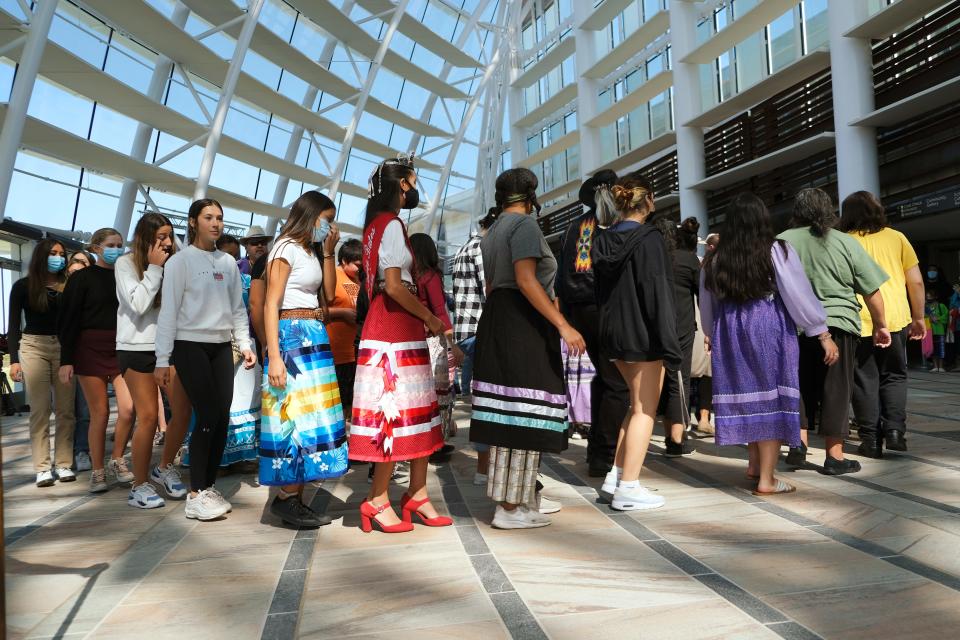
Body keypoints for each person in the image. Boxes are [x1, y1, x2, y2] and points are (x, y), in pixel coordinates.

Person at [470, 167, 585, 529]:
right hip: (523, 323)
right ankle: (510, 506)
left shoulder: (490, 232)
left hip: (499, 320)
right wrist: (563, 324)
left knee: (509, 411)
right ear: (531, 194)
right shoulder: (524, 227)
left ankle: (517, 501)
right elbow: (525, 279)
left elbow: (492, 287)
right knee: (526, 409)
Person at [701, 193, 835, 495]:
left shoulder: (715, 258)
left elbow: (706, 303)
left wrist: (712, 332)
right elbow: (797, 294)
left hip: (728, 330)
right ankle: (767, 479)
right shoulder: (776, 250)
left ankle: (753, 464)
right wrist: (821, 333)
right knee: (770, 399)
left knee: (747, 396)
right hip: (768, 327)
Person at [350, 156, 451, 534]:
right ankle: (378, 499)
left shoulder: (375, 226)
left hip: (394, 325)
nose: (415, 188)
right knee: (392, 410)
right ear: (403, 184)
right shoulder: (390, 224)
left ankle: (417, 493)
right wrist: (429, 317)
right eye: (413, 181)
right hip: (395, 327)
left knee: (415, 409)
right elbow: (392, 285)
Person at [155, 199, 256, 521]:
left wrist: (244, 343)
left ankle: (208, 486)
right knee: (208, 414)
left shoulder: (227, 262)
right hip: (189, 345)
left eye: (220, 218)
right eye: (209, 217)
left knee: (222, 417)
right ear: (193, 221)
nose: (216, 223)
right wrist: (161, 358)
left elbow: (237, 309)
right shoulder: (179, 262)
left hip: (222, 347)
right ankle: (195, 492)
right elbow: (168, 311)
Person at [778, 188, 891, 475]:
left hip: (793, 325)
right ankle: (834, 456)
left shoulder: (782, 241)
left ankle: (798, 445)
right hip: (839, 323)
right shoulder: (844, 242)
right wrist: (881, 325)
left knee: (799, 384)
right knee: (837, 388)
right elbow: (872, 290)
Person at [591, 173, 680, 511]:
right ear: (649, 200)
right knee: (645, 409)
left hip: (613, 333)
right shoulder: (650, 239)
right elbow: (657, 292)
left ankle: (616, 477)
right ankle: (629, 486)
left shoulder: (602, 240)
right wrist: (671, 343)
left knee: (635, 406)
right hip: (643, 334)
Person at [260, 191, 348, 528]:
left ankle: (293, 496)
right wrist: (276, 357)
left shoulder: (308, 250)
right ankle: (286, 498)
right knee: (293, 415)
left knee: (312, 415)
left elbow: (328, 292)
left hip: (312, 335)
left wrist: (329, 251)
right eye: (326, 220)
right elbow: (271, 303)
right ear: (311, 216)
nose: (330, 226)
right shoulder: (283, 248)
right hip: (292, 336)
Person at [839, 191, 926, 457]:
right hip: (895, 319)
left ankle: (871, 440)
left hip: (857, 319)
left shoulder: (842, 241)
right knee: (895, 374)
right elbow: (916, 282)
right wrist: (919, 317)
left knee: (864, 380)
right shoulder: (897, 238)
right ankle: (895, 431)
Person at [556, 170, 629, 478]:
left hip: (578, 312)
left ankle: (597, 452)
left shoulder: (575, 227)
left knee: (603, 378)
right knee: (617, 383)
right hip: (604, 308)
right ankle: (607, 452)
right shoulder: (612, 224)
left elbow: (564, 275)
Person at [115, 213, 190, 508]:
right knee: (147, 416)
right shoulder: (125, 264)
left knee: (182, 412)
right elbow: (138, 304)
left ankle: (164, 467)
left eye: (170, 235)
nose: (168, 242)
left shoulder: (174, 264)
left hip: (169, 348)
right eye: (161, 236)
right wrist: (155, 269)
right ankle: (139, 485)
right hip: (136, 348)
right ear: (146, 238)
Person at [58, 228, 135, 493]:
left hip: (121, 346)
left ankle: (117, 459)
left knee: (128, 409)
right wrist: (66, 360)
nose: (116, 248)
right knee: (99, 413)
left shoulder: (125, 276)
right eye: (111, 244)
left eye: (120, 244)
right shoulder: (82, 278)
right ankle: (97, 471)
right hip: (89, 348)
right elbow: (68, 319)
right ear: (96, 248)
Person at [8, 238, 76, 487]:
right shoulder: (23, 286)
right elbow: (13, 325)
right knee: (40, 408)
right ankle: (42, 467)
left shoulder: (69, 286)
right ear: (41, 256)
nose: (57, 257)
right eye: (52, 253)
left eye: (61, 253)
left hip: (64, 348)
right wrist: (14, 361)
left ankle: (64, 463)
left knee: (66, 409)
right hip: (33, 346)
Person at [410, 233, 465, 460]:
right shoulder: (430, 276)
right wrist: (453, 345)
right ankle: (436, 444)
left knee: (417, 395)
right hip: (434, 342)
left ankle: (416, 442)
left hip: (412, 342)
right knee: (439, 395)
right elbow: (440, 312)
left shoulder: (408, 277)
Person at [451, 210, 495, 485]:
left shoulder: (463, 249)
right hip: (481, 329)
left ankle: (483, 468)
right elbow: (489, 289)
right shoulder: (481, 248)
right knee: (489, 401)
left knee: (482, 399)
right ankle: (485, 469)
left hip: (467, 331)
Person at [653, 216, 700, 457]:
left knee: (660, 382)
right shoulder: (687, 259)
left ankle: (669, 432)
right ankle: (677, 439)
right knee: (680, 380)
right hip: (681, 328)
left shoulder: (651, 259)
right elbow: (702, 293)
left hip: (653, 328)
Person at [326, 238, 362, 415]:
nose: (360, 269)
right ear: (343, 261)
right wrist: (342, 313)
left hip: (354, 352)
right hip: (336, 352)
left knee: (351, 403)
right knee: (335, 404)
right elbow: (318, 311)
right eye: (357, 265)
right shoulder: (332, 276)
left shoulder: (359, 280)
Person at [66, 250, 93, 471]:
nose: (77, 267)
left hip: (86, 355)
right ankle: (67, 453)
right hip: (63, 355)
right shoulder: (61, 292)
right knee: (66, 409)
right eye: (74, 263)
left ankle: (82, 449)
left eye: (83, 263)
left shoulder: (94, 292)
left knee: (85, 409)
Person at [691, 233, 718, 436]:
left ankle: (681, 421)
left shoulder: (697, 264)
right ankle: (704, 417)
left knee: (685, 373)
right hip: (704, 320)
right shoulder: (702, 264)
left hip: (691, 320)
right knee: (707, 372)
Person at [926, 291, 948, 372]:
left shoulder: (941, 306)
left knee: (940, 348)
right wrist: (929, 319)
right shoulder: (926, 307)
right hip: (929, 331)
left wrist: (938, 318)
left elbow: (946, 315)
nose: (928, 298)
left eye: (930, 296)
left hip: (940, 330)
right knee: (932, 349)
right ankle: (935, 366)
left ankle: (941, 366)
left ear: (935, 297)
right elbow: (922, 317)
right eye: (927, 297)